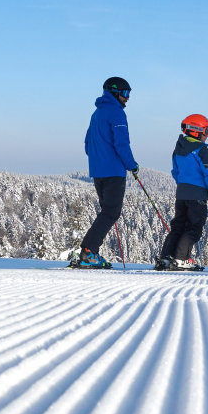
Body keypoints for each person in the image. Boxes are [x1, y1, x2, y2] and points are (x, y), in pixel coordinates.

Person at [75, 76, 139, 269]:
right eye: (126, 93)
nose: (128, 98)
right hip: (114, 172)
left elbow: (87, 144)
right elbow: (121, 143)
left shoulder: (97, 113)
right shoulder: (117, 114)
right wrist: (132, 165)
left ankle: (90, 252)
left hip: (98, 172)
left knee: (107, 212)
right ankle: (88, 252)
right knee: (111, 213)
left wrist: (98, 159)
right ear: (116, 92)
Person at [157, 114, 208, 271]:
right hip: (197, 195)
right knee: (194, 228)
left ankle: (166, 258)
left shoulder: (178, 149)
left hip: (181, 194)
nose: (207, 134)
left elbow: (175, 172)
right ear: (197, 130)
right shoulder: (202, 151)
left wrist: (183, 186)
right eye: (207, 130)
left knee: (178, 226)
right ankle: (181, 259)